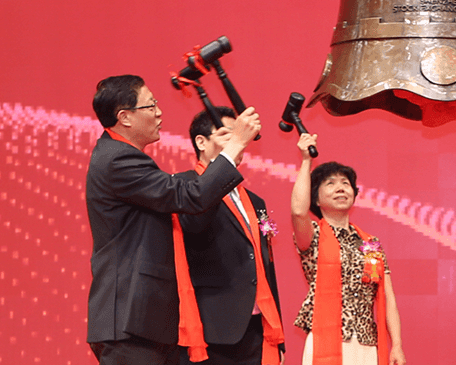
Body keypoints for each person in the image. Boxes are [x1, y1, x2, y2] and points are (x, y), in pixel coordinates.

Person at [84, 75, 261, 365]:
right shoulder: (117, 159)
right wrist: (235, 143)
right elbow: (189, 196)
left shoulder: (123, 156)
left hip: (145, 320)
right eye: (150, 105)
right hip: (129, 318)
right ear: (125, 117)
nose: (159, 112)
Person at [175, 107, 285, 365]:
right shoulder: (184, 186)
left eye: (240, 134)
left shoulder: (255, 201)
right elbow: (194, 225)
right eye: (228, 134)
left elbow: (265, 268)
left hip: (257, 327)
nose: (240, 140)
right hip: (212, 327)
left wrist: (279, 338)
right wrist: (217, 176)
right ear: (201, 142)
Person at [289, 133, 406, 365]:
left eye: (345, 184)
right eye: (330, 184)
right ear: (316, 200)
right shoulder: (313, 235)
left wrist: (397, 344)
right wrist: (306, 160)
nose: (341, 188)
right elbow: (298, 212)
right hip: (326, 340)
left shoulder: (370, 243)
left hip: (366, 343)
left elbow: (387, 296)